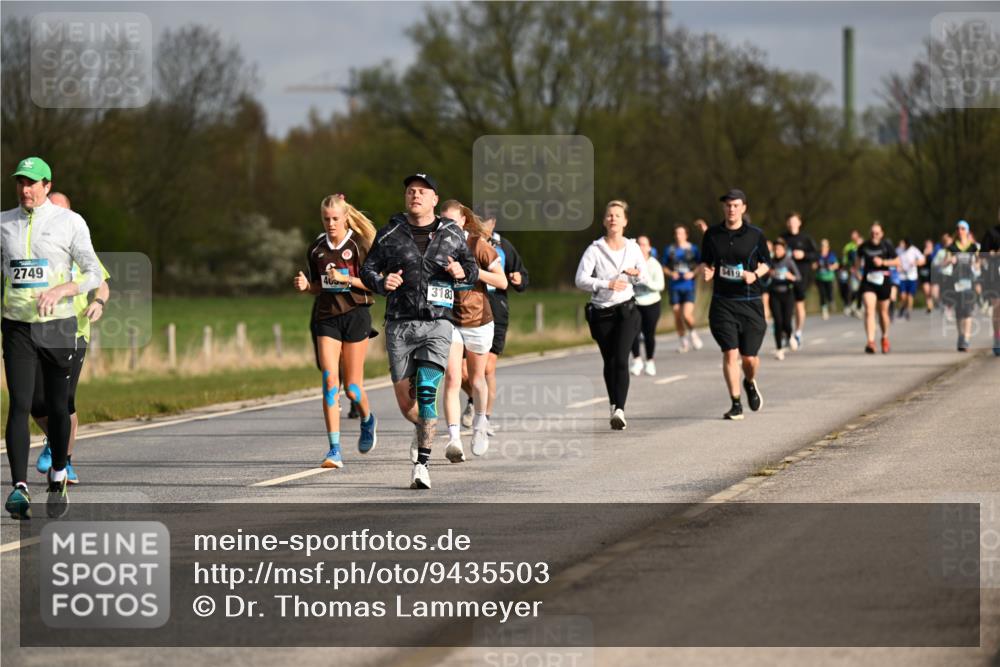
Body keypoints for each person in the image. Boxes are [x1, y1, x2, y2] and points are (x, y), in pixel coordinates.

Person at [360, 174, 478, 490]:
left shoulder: (452, 233)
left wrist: (460, 272)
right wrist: (381, 282)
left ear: (434, 200)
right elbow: (367, 269)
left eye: (422, 192)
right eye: (411, 191)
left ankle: (421, 465)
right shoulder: (390, 233)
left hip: (439, 321)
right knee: (405, 402)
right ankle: (423, 427)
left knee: (427, 390)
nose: (415, 195)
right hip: (399, 322)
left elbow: (472, 272)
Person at [2, 157, 102, 519]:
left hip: (59, 325)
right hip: (17, 325)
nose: (25, 189)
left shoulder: (69, 222)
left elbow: (93, 273)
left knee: (59, 408)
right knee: (20, 403)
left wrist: (64, 289)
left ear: (47, 184)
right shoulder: (4, 224)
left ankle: (59, 472)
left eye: (32, 182)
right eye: (20, 182)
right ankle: (18, 488)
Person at [32, 192, 112, 485]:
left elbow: (102, 286)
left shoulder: (81, 248)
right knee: (36, 402)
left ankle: (65, 461)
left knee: (64, 400)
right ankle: (56, 440)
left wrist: (98, 304)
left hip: (75, 331)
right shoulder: (37, 245)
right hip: (38, 330)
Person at [294, 193, 378, 469]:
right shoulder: (316, 248)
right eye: (326, 219)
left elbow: (375, 284)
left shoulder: (359, 245)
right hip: (327, 318)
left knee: (353, 388)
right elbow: (318, 284)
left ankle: (367, 419)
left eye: (335, 219)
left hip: (356, 316)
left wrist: (347, 278)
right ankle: (334, 450)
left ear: (345, 217)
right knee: (331, 383)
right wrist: (307, 287)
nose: (330, 223)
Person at [438, 200, 507, 462]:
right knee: (453, 378)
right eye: (443, 222)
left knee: (478, 379)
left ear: (464, 221)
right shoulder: (437, 245)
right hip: (449, 319)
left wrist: (473, 272)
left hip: (478, 319)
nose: (447, 227)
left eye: (452, 222)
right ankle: (454, 439)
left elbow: (501, 281)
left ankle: (479, 424)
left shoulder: (478, 245)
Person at [698, 189, 770, 421]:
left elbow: (767, 263)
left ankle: (749, 381)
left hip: (750, 302)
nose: (731, 209)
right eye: (728, 205)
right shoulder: (712, 234)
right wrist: (706, 272)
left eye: (736, 205)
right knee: (730, 354)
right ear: (724, 208)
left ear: (743, 208)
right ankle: (736, 404)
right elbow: (705, 263)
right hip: (723, 303)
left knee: (749, 359)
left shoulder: (756, 235)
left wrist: (755, 274)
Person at [575, 200, 646, 430]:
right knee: (609, 360)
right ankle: (613, 402)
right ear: (605, 221)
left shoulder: (633, 248)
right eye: (609, 215)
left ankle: (620, 410)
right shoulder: (595, 249)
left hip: (627, 310)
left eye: (618, 215)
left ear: (625, 221)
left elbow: (643, 276)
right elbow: (580, 279)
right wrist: (606, 283)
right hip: (602, 313)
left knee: (621, 358)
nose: (613, 218)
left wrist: (635, 274)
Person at [458, 214, 530, 433]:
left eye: (486, 224)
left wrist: (519, 279)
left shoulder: (503, 246)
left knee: (487, 368)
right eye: (477, 224)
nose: (482, 228)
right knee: (461, 372)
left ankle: (484, 417)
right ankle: (474, 398)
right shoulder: (463, 242)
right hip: (467, 311)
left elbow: (521, 275)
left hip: (496, 311)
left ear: (493, 224)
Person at [857, 222, 899, 354]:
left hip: (884, 279)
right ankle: (870, 342)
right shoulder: (863, 246)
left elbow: (898, 262)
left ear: (881, 234)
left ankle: (884, 337)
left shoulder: (887, 246)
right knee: (869, 310)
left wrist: (884, 262)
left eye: (877, 233)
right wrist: (857, 273)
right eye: (872, 233)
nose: (874, 235)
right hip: (868, 280)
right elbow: (857, 263)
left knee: (883, 313)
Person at [941, 220, 981, 352]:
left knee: (968, 311)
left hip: (970, 282)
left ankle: (966, 339)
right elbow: (943, 263)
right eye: (958, 229)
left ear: (967, 231)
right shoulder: (952, 247)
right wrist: (949, 260)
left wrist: (976, 265)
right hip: (956, 283)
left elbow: (979, 262)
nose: (960, 231)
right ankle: (960, 335)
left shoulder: (973, 247)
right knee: (959, 312)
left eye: (963, 229)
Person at [662, 224, 703, 353]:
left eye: (681, 233)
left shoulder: (693, 249)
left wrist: (692, 273)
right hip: (674, 287)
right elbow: (663, 267)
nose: (679, 236)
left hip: (688, 286)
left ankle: (693, 332)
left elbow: (700, 265)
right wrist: (670, 273)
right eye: (677, 233)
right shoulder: (670, 250)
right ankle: (683, 341)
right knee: (676, 314)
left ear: (686, 235)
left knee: (686, 315)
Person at [779, 212, 818, 349]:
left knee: (799, 305)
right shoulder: (782, 238)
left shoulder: (806, 239)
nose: (792, 224)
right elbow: (775, 253)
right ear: (787, 223)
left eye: (794, 221)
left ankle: (798, 333)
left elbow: (816, 255)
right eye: (789, 221)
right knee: (784, 307)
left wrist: (804, 254)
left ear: (799, 223)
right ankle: (786, 333)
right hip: (784, 277)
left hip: (801, 276)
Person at [630, 235, 666, 376]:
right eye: (639, 244)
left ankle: (650, 361)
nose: (641, 247)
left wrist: (646, 281)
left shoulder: (654, 264)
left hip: (651, 303)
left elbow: (660, 286)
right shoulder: (631, 263)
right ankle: (637, 360)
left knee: (649, 334)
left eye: (644, 244)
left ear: (649, 247)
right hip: (635, 303)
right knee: (633, 332)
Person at [768, 239, 802, 360]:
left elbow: (798, 277)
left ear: (784, 250)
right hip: (774, 294)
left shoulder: (789, 262)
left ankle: (790, 335)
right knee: (778, 322)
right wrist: (769, 273)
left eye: (779, 249)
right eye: (775, 249)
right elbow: (764, 277)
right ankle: (779, 349)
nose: (777, 251)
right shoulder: (770, 262)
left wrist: (790, 276)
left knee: (786, 321)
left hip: (788, 294)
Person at [980, 209, 1000, 356]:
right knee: (998, 308)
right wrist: (994, 254)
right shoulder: (991, 233)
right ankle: (998, 339)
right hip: (995, 276)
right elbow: (982, 256)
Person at [895, 238, 924, 321]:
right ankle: (902, 308)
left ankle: (908, 311)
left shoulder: (914, 250)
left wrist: (916, 263)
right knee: (903, 296)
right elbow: (893, 259)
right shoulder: (898, 250)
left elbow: (922, 260)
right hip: (902, 276)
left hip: (912, 276)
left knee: (910, 296)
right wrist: (897, 266)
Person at [838, 231, 861, 317]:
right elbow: (844, 259)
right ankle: (851, 305)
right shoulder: (848, 247)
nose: (854, 238)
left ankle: (858, 306)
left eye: (856, 236)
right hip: (853, 271)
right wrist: (847, 267)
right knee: (854, 288)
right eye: (853, 237)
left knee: (862, 289)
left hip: (863, 271)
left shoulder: (862, 245)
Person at [815, 238, 838, 321]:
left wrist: (831, 267)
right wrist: (816, 265)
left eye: (825, 246)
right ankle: (824, 310)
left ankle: (831, 301)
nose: (823, 248)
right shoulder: (817, 255)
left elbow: (836, 265)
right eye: (822, 246)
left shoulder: (831, 255)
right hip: (820, 278)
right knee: (822, 294)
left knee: (829, 293)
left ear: (828, 247)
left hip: (829, 278)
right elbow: (813, 265)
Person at [918, 239, 936, 313]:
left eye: (929, 245)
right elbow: (920, 262)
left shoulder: (935, 252)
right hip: (925, 274)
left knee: (932, 292)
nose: (928, 246)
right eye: (926, 245)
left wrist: (931, 254)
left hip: (934, 274)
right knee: (926, 291)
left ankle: (932, 303)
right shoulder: (922, 253)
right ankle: (929, 306)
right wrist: (924, 255)